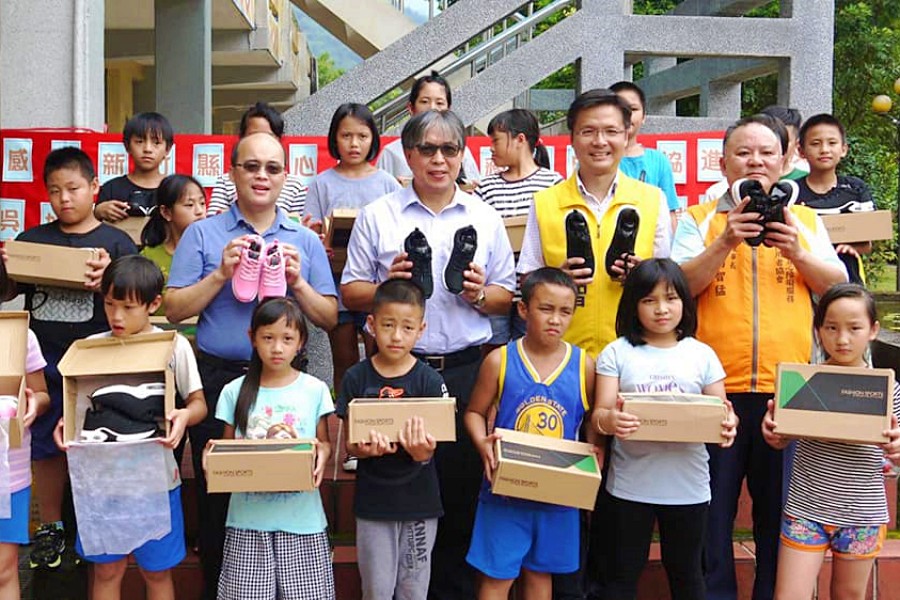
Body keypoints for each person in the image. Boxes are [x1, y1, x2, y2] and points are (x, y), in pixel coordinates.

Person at [670, 113, 847, 600]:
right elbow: (678, 286)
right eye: (743, 153)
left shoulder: (806, 221)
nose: (755, 161)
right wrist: (726, 239)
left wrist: (799, 254)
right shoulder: (699, 218)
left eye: (767, 153)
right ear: (723, 162)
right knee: (711, 513)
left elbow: (839, 287)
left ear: (787, 160)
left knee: (784, 513)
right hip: (714, 390)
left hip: (789, 390)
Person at [341, 109, 516, 599]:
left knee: (460, 496)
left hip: (464, 369)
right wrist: (385, 285)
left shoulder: (484, 217)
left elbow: (508, 296)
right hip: (392, 374)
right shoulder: (380, 215)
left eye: (451, 150)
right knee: (397, 487)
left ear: (463, 156)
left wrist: (481, 294)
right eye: (429, 150)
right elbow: (350, 291)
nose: (440, 160)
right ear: (409, 155)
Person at [165, 131, 336, 599]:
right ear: (234, 173)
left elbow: (328, 317)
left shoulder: (303, 238)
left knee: (288, 495)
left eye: (272, 168)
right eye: (251, 166)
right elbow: (175, 308)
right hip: (221, 379)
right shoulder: (203, 233)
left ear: (286, 176)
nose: (262, 176)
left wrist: (298, 284)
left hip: (287, 385)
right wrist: (220, 273)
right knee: (219, 499)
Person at [55, 255, 207, 600]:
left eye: (128, 307)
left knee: (157, 571)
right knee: (106, 570)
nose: (117, 316)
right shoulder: (89, 348)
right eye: (110, 304)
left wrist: (184, 416)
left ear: (154, 304)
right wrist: (67, 426)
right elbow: (76, 409)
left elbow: (198, 403)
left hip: (156, 481)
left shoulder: (173, 346)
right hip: (102, 483)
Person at [14, 147, 137, 570]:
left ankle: (94, 523)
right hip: (42, 368)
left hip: (98, 365)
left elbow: (136, 298)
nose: (64, 199)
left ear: (93, 188)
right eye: (54, 191)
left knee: (96, 445)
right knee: (46, 449)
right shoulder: (31, 240)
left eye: (73, 188)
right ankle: (50, 528)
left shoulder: (116, 242)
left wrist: (110, 279)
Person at [589, 258, 738, 600]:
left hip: (689, 486)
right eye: (648, 300)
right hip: (630, 486)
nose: (661, 309)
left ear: (685, 302)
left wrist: (728, 426)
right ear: (633, 305)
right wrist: (611, 421)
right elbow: (600, 412)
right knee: (620, 578)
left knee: (688, 578)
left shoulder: (702, 355)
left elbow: (722, 412)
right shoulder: (618, 352)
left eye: (670, 298)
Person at [464, 267, 597, 600]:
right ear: (523, 309)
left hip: (558, 494)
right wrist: (483, 445)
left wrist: (594, 464)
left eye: (565, 311)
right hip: (506, 492)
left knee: (540, 578)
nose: (555, 319)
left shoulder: (584, 366)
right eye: (546, 309)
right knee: (496, 579)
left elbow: (595, 423)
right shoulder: (500, 360)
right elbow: (474, 413)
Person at [761, 283, 900, 600]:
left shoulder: (888, 390)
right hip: (806, 510)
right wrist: (774, 433)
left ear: (873, 330)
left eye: (854, 328)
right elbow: (780, 437)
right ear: (818, 330)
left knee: (848, 595)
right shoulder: (800, 382)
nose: (842, 339)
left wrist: (896, 446)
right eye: (831, 328)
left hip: (862, 515)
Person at [517, 88, 672, 359]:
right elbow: (527, 278)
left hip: (633, 354)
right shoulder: (545, 202)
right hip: (561, 356)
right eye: (588, 131)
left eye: (611, 131)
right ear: (573, 140)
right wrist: (556, 281)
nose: (600, 141)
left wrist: (642, 278)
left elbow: (666, 282)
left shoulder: (652, 200)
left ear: (626, 136)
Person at [212, 297, 334, 599]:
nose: (277, 348)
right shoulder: (233, 391)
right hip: (248, 520)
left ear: (301, 343)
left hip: (302, 519)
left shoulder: (314, 389)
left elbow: (325, 443)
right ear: (252, 338)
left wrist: (322, 456)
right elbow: (225, 451)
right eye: (268, 337)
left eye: (287, 339)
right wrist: (212, 458)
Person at [335, 278, 449, 600]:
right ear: (370, 324)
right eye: (387, 325)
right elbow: (351, 445)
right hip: (374, 503)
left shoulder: (429, 380)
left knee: (414, 588)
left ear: (421, 329)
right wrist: (364, 450)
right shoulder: (357, 377)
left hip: (419, 503)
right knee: (376, 589)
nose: (396, 336)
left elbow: (433, 446)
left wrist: (422, 452)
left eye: (407, 327)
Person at [304, 103, 400, 405]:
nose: (354, 144)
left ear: (373, 138)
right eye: (346, 136)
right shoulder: (321, 183)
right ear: (334, 138)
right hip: (334, 279)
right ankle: (346, 428)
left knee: (379, 357)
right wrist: (318, 239)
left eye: (362, 135)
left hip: (376, 281)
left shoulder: (386, 183)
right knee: (343, 359)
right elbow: (311, 232)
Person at [474, 109, 563, 346]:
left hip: (537, 292)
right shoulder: (485, 188)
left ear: (520, 139)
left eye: (496, 140)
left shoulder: (553, 184)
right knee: (494, 357)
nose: (491, 148)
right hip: (495, 291)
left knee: (533, 355)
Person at [0, 258, 51, 600]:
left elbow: (43, 394)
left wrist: (34, 405)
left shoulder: (20, 335)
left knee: (4, 567)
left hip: (11, 471)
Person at [796, 113, 876, 284]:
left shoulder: (856, 189)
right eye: (815, 144)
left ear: (844, 149)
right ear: (801, 151)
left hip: (848, 278)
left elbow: (867, 244)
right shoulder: (791, 191)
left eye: (832, 143)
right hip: (802, 278)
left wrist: (851, 247)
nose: (824, 149)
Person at [376, 71, 480, 187]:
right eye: (424, 102)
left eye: (439, 103)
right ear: (411, 108)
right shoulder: (391, 152)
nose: (432, 108)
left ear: (448, 109)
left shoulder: (460, 150)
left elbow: (473, 189)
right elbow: (380, 195)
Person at [208, 102, 308, 216]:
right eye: (254, 135)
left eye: (269, 136)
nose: (261, 176)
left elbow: (298, 224)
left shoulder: (295, 187)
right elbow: (212, 223)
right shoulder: (225, 181)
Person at [610, 81, 681, 224]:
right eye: (619, 108)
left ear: (644, 117)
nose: (627, 114)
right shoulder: (597, 158)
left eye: (633, 109)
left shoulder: (658, 161)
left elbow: (669, 213)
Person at [94, 112, 173, 222]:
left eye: (156, 143)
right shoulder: (111, 189)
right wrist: (98, 212)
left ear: (167, 149)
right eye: (139, 141)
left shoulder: (175, 189)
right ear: (127, 146)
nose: (147, 149)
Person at [140, 174, 208, 284]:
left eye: (202, 203)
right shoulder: (148, 258)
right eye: (189, 205)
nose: (200, 211)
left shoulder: (214, 251)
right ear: (166, 212)